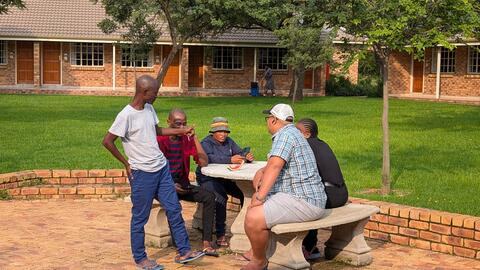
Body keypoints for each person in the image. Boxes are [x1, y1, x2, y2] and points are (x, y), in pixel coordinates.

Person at [102, 75, 204, 270]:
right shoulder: (126, 115)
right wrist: (126, 163)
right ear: (144, 92)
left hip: (161, 168)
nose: (157, 96)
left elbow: (158, 131)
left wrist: (182, 131)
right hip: (141, 173)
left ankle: (184, 252)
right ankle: (140, 258)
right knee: (140, 216)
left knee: (174, 209)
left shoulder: (149, 108)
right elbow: (107, 141)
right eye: (155, 93)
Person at [242, 104, 327, 270]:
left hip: (304, 200)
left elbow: (275, 166)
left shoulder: (285, 135)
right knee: (258, 209)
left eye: (268, 118)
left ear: (274, 120)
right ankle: (255, 251)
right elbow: (274, 164)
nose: (267, 121)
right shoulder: (293, 133)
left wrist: (259, 196)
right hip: (307, 197)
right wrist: (262, 170)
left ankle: (260, 261)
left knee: (253, 217)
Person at [156, 108, 219, 257]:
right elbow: (154, 169)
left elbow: (203, 162)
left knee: (209, 197)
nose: (182, 127)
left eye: (184, 124)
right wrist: (170, 185)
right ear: (168, 122)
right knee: (174, 206)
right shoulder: (160, 141)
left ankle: (206, 243)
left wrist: (194, 137)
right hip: (163, 185)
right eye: (178, 124)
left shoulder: (186, 139)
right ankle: (181, 248)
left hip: (182, 184)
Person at [195, 117, 254, 247]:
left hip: (224, 178)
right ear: (213, 132)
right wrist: (230, 159)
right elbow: (209, 158)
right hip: (207, 178)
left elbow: (239, 153)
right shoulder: (206, 143)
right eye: (220, 132)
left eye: (225, 132)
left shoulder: (229, 141)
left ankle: (246, 227)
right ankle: (220, 234)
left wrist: (246, 156)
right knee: (220, 197)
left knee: (245, 193)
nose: (223, 134)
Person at [296, 118, 349, 260]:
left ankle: (309, 247)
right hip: (342, 193)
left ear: (307, 134)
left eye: (297, 131)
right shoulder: (322, 144)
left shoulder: (306, 147)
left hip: (331, 195)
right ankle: (310, 247)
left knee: (305, 202)